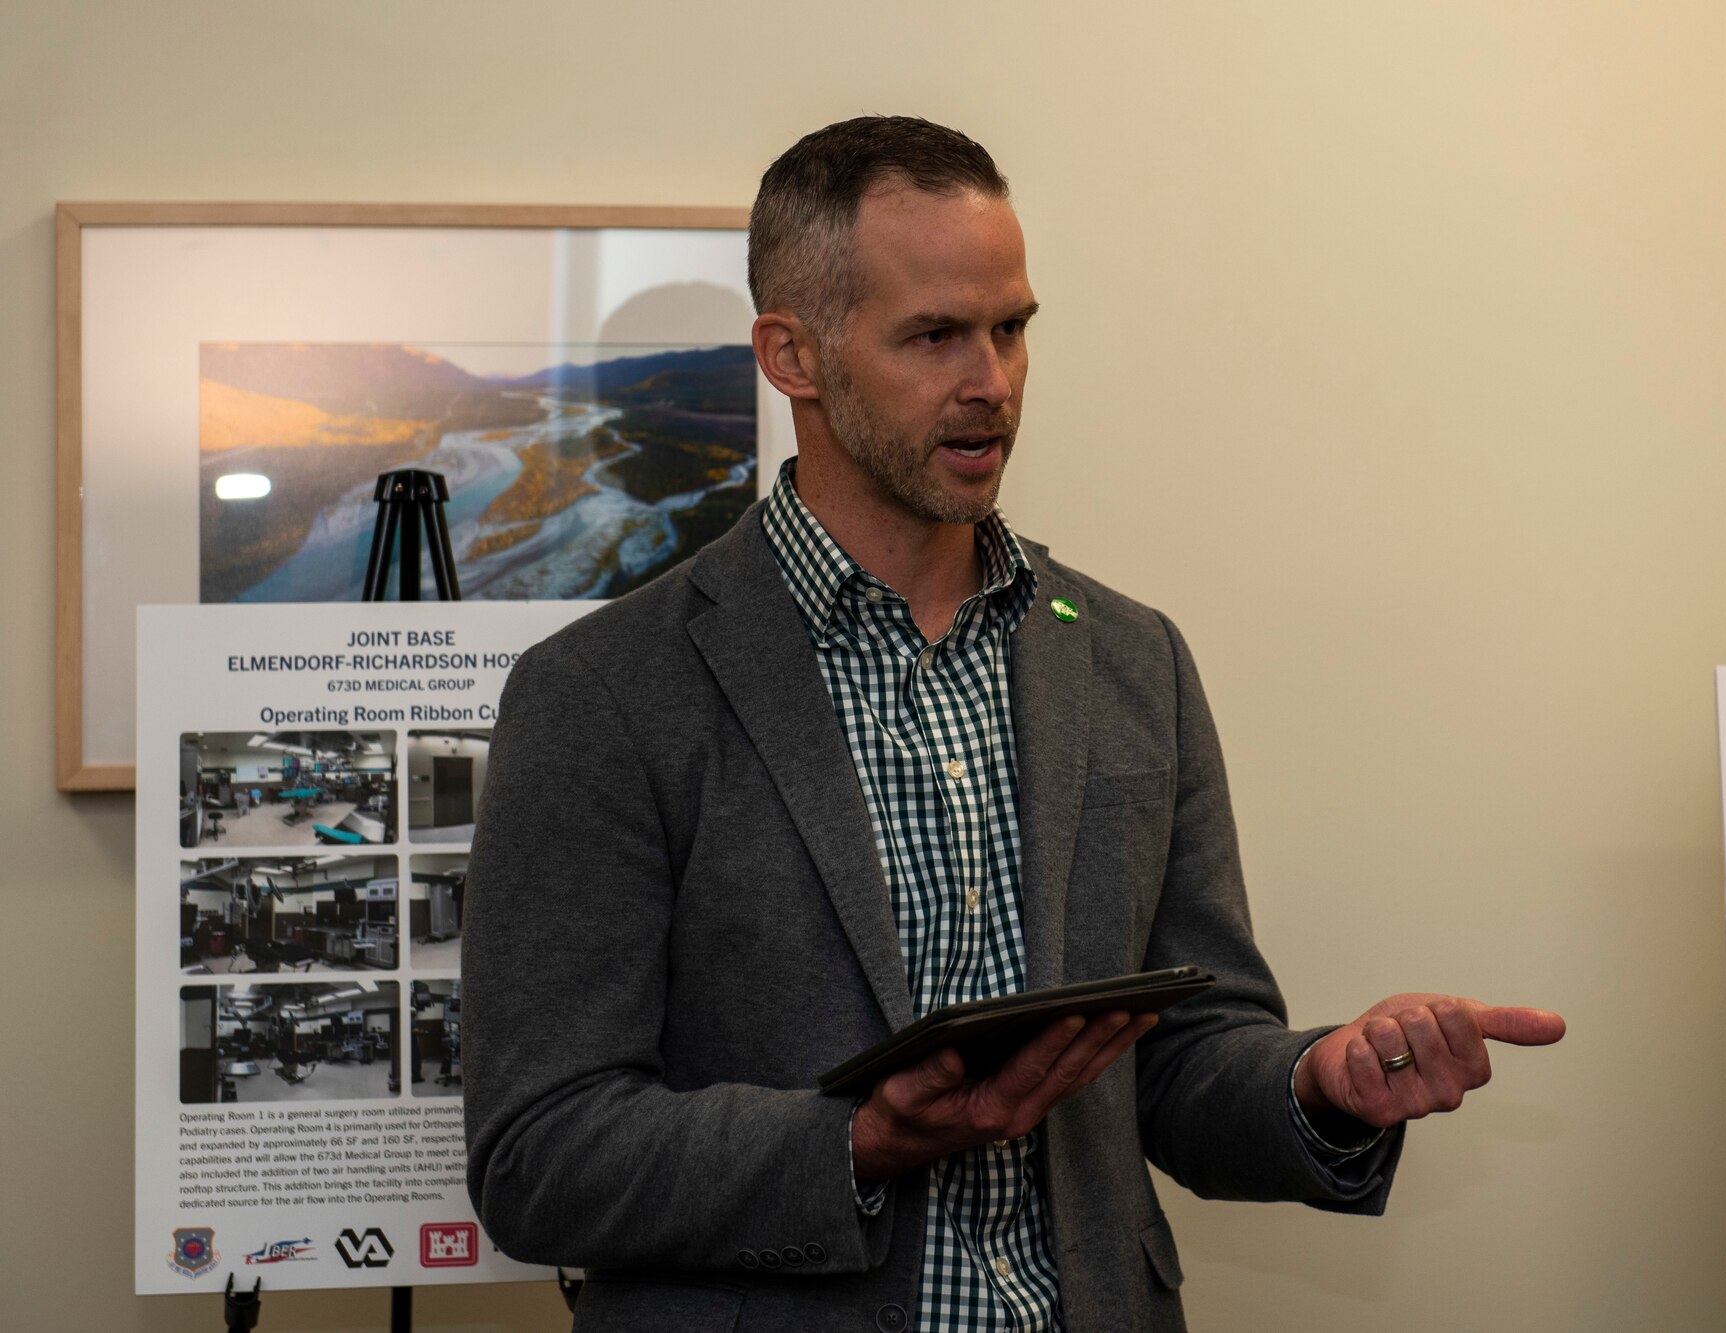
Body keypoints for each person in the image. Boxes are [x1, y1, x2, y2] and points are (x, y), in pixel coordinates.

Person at [462, 115, 1566, 1333]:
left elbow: (1185, 1057)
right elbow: (539, 1153)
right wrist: (856, 1143)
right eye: (933, 334)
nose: (989, 379)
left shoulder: (1128, 658)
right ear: (794, 356)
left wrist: (1323, 1082)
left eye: (1012, 327)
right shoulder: (606, 692)